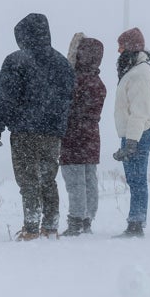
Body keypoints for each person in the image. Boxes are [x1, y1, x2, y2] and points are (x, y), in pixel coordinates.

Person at [0, 13, 74, 240]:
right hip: (52, 132)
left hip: (24, 130)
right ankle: (51, 225)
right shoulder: (62, 63)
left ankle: (31, 228)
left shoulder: (16, 60)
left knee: (28, 179)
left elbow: (6, 95)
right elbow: (69, 98)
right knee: (48, 177)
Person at [112, 27, 150, 238]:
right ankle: (136, 221)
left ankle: (136, 224)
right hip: (135, 133)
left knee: (137, 179)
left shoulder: (140, 74)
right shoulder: (136, 71)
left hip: (139, 133)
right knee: (134, 179)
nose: (118, 51)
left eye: (121, 46)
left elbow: (140, 111)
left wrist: (131, 141)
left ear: (130, 48)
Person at [59, 34, 107, 236]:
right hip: (91, 136)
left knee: (74, 179)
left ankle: (75, 220)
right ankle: (87, 218)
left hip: (73, 135)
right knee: (89, 178)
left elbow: (65, 108)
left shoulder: (74, 81)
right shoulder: (98, 82)